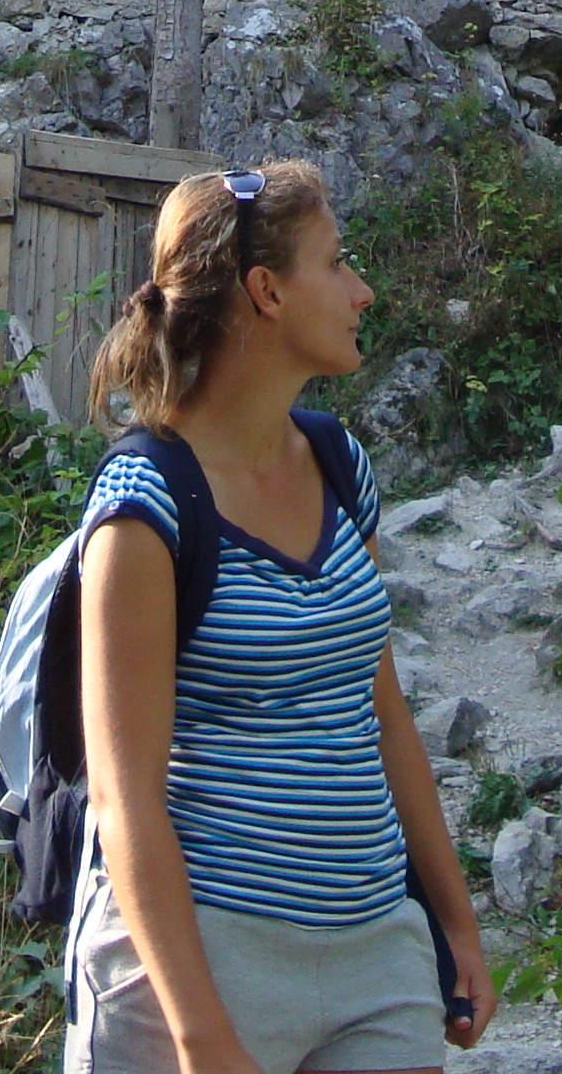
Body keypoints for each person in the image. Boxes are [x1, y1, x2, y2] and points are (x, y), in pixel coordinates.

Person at [68, 161, 497, 1074]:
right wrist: (202, 1040)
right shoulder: (144, 508)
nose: (362, 291)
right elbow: (122, 800)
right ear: (265, 291)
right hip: (202, 960)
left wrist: (455, 923)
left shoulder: (340, 464)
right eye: (336, 264)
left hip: (376, 950)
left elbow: (381, 712)